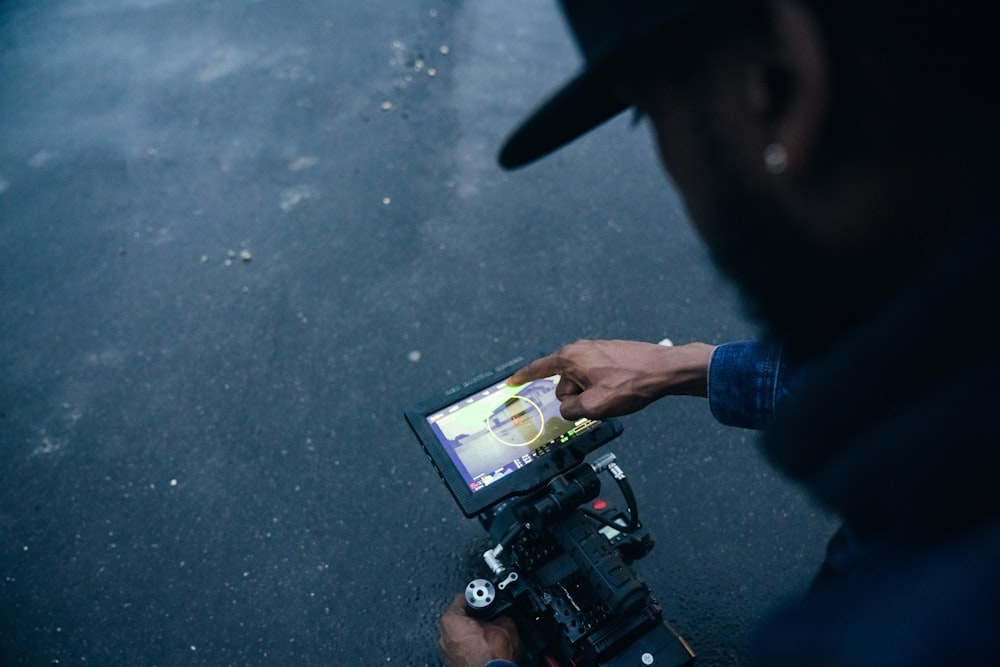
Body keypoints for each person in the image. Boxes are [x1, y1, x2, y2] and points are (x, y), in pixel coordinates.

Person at [440, 0, 1000, 665]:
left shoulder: (904, 634)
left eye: (651, 112)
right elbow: (918, 364)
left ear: (780, 81)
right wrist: (690, 368)